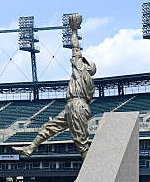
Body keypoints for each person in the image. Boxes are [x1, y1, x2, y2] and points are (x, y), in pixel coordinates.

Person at [13, 14, 96, 159]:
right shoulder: (89, 82)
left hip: (76, 106)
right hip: (74, 106)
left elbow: (75, 48)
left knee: (81, 143)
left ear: (88, 67)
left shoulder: (81, 69)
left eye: (85, 62)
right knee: (49, 127)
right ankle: (31, 148)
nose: (81, 61)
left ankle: (91, 173)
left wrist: (74, 31)